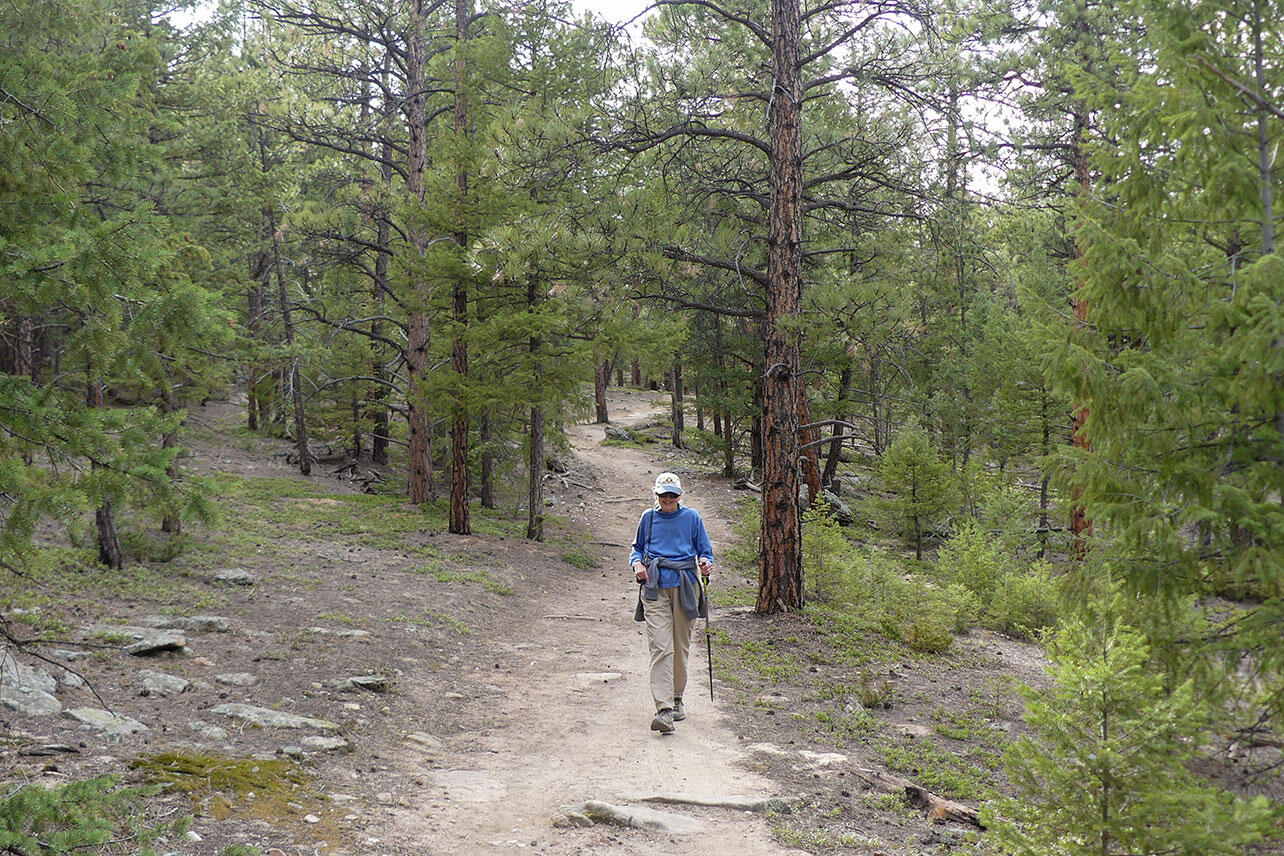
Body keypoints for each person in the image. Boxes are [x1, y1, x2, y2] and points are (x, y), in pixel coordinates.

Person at [630, 472, 714, 733]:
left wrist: (706, 563)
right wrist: (636, 564)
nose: (668, 499)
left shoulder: (692, 518)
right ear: (656, 495)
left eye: (672, 495)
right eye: (663, 495)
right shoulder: (649, 517)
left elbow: (706, 551)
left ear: (680, 495)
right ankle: (664, 710)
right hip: (655, 587)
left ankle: (677, 699)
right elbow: (636, 548)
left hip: (686, 586)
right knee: (660, 646)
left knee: (680, 647)